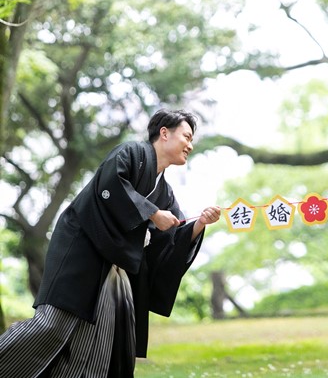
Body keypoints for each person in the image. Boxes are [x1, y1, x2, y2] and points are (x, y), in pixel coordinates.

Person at [0, 108, 221, 378]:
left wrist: (198, 225)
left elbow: (169, 240)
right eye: (187, 136)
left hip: (117, 270)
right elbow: (110, 186)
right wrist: (152, 213)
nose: (191, 144)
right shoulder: (131, 154)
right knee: (53, 326)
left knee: (106, 344)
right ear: (164, 133)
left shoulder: (165, 191)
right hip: (83, 249)